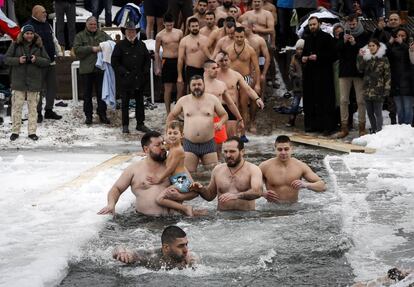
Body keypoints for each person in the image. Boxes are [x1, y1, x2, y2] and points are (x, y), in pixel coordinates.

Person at [98, 131, 198, 216]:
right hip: (143, 223)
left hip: (174, 220)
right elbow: (117, 189)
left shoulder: (175, 167)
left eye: (163, 143)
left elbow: (194, 191)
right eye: (158, 145)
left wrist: (181, 197)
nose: (163, 147)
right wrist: (111, 204)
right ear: (146, 149)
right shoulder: (134, 169)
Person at [166, 75, 228, 172]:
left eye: (199, 84)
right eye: (194, 85)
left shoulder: (212, 99)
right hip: (189, 143)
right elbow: (171, 116)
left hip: (209, 142)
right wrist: (169, 132)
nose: (197, 87)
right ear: (189, 87)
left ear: (204, 85)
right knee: (190, 174)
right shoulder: (183, 100)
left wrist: (220, 123)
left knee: (212, 173)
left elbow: (224, 115)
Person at [191, 136, 263, 211]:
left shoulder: (253, 169)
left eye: (232, 151)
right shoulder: (218, 170)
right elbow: (210, 196)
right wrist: (201, 189)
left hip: (246, 218)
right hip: (222, 218)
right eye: (225, 151)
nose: (228, 155)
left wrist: (237, 196)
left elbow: (257, 192)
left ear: (242, 152)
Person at [5, 25, 50, 141]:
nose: (29, 36)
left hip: (34, 82)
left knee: (33, 108)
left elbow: (47, 61)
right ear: (23, 34)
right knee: (16, 107)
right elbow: (6, 59)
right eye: (27, 33)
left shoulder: (39, 45)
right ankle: (15, 131)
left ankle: (32, 132)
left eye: (31, 33)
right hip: (18, 81)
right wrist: (18, 60)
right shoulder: (15, 44)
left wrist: (37, 60)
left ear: (34, 34)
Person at [146, 121, 195, 216]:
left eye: (175, 133)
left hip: (181, 181)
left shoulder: (178, 151)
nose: (172, 135)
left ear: (182, 135)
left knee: (160, 199)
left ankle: (186, 208)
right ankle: (186, 212)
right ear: (166, 134)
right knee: (174, 212)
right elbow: (164, 146)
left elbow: (170, 169)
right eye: (170, 133)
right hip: (178, 180)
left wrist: (159, 179)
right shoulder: (172, 147)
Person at [112, 21, 152, 134]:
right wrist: (124, 73)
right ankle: (125, 125)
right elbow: (114, 62)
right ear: (125, 32)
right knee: (125, 103)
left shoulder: (141, 45)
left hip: (139, 79)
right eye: (129, 31)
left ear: (136, 32)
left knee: (140, 102)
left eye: (133, 31)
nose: (131, 33)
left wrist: (145, 72)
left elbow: (147, 60)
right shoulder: (119, 45)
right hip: (126, 79)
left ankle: (140, 124)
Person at [260, 135, 326, 203]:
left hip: (294, 211)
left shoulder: (300, 166)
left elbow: (322, 186)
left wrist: (306, 185)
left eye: (286, 149)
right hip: (272, 209)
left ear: (291, 149)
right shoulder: (265, 166)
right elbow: (252, 187)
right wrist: (263, 193)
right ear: (275, 149)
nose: (283, 153)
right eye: (280, 149)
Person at [335, 14, 370, 138]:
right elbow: (337, 50)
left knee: (361, 100)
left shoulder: (365, 35)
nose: (352, 25)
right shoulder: (341, 34)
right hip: (345, 71)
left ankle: (362, 127)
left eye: (354, 23)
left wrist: (355, 43)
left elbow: (365, 52)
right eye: (350, 24)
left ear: (358, 22)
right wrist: (344, 41)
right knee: (343, 100)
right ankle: (344, 127)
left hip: (359, 72)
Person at [25, 5, 62, 123]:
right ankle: (38, 112)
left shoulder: (47, 24)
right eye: (43, 12)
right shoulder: (28, 26)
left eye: (45, 12)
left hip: (50, 61)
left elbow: (53, 39)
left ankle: (49, 110)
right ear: (35, 13)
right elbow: (23, 43)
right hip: (37, 63)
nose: (46, 14)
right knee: (38, 89)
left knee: (52, 86)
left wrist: (59, 52)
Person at [301, 16, 337, 134]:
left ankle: (327, 126)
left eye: (314, 24)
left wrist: (318, 57)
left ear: (319, 24)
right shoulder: (307, 38)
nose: (312, 27)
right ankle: (312, 125)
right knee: (311, 99)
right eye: (310, 25)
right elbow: (304, 54)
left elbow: (333, 55)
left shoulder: (327, 38)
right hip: (310, 74)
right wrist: (304, 58)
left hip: (324, 74)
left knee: (325, 100)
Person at [215, 51, 264, 138]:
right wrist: (215, 61)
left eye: (226, 60)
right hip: (217, 107)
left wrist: (257, 99)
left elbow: (248, 89)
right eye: (221, 61)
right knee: (217, 137)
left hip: (231, 107)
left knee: (230, 136)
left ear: (230, 60)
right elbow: (205, 74)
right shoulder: (214, 74)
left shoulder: (236, 75)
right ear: (218, 62)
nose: (224, 63)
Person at [73, 16, 112, 125]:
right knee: (87, 95)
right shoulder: (80, 36)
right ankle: (88, 116)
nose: (93, 26)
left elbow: (111, 44)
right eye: (91, 24)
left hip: (100, 69)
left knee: (102, 93)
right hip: (86, 70)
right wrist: (91, 49)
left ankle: (102, 114)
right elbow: (76, 50)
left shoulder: (103, 35)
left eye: (95, 24)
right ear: (86, 25)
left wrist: (105, 48)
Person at [224, 26, 260, 138]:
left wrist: (258, 83)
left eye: (241, 37)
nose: (239, 39)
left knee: (244, 105)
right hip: (232, 79)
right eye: (237, 37)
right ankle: (234, 130)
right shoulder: (228, 49)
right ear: (233, 36)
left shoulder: (250, 50)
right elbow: (223, 64)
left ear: (244, 37)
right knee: (234, 104)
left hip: (245, 78)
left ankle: (243, 133)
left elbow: (257, 67)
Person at [203, 59, 244, 157]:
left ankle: (217, 168)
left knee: (219, 149)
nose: (217, 70)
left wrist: (239, 118)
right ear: (206, 70)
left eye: (217, 67)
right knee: (204, 150)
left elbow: (230, 104)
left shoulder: (221, 85)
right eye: (213, 68)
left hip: (218, 120)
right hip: (203, 120)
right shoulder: (200, 85)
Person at [112, 225, 196, 270]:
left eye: (186, 244)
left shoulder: (188, 259)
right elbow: (119, 248)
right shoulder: (150, 257)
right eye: (180, 246)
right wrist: (122, 253)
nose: (186, 250)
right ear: (166, 247)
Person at [357, 39, 391, 133]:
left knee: (378, 112)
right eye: (370, 46)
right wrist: (360, 56)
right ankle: (374, 129)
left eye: (373, 46)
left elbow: (387, 75)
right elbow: (360, 69)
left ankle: (379, 131)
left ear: (378, 47)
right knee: (370, 113)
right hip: (367, 90)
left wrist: (387, 89)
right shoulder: (366, 58)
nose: (371, 47)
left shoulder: (384, 59)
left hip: (378, 90)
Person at [155, 13, 183, 114]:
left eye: (171, 25)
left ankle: (178, 111)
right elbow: (157, 52)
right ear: (163, 24)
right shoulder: (160, 35)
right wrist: (157, 67)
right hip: (167, 61)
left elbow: (183, 47)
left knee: (180, 86)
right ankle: (168, 112)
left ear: (173, 23)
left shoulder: (179, 33)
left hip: (178, 60)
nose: (169, 27)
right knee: (168, 89)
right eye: (167, 25)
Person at [386, 28, 413, 125]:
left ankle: (408, 128)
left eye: (403, 36)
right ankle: (401, 129)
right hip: (395, 81)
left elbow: (410, 55)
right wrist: (390, 42)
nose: (400, 37)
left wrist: (402, 43)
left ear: (406, 37)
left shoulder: (409, 46)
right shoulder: (392, 47)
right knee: (400, 108)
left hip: (408, 82)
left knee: (408, 107)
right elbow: (384, 54)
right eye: (398, 35)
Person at [177, 18, 209, 96]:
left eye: (196, 26)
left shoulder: (205, 39)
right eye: (193, 26)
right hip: (191, 69)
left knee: (205, 91)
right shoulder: (184, 40)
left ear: (199, 26)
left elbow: (210, 55)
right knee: (191, 92)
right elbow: (180, 59)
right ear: (189, 27)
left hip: (204, 69)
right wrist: (180, 76)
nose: (195, 28)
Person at [286, 39, 304, 127]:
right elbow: (291, 70)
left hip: (306, 84)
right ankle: (291, 120)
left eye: (301, 49)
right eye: (298, 49)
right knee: (295, 103)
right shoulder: (294, 58)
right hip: (297, 85)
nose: (299, 51)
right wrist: (297, 75)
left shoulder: (305, 58)